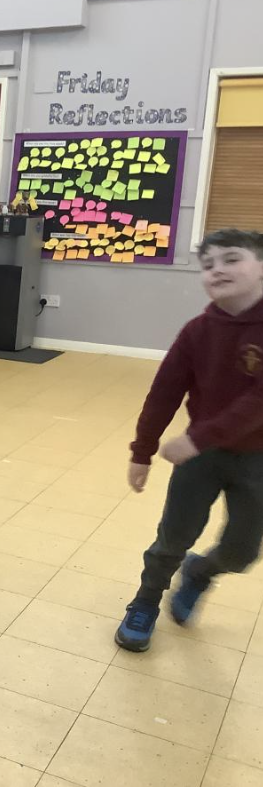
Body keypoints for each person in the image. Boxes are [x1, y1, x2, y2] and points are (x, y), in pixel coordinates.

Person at [116, 228, 263, 652]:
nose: (217, 270)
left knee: (242, 552)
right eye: (208, 264)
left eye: (231, 259)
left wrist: (198, 437)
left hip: (255, 459)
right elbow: (163, 393)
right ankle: (145, 602)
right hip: (202, 458)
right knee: (172, 539)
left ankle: (200, 573)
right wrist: (141, 452)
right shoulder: (197, 331)